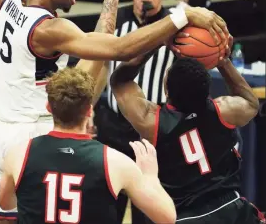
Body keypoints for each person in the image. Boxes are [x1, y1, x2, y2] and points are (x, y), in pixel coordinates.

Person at [0, 0, 227, 222]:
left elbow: (100, 49)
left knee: (4, 216)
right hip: (37, 135)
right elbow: (119, 48)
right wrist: (183, 16)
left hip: (1, 130)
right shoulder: (49, 29)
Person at [110, 35, 265, 223]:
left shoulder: (152, 122)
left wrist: (156, 41)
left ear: (166, 90)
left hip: (185, 217)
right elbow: (251, 102)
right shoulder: (223, 111)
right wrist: (223, 62)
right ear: (207, 89)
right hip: (232, 210)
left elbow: (120, 81)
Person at [0, 67, 177, 224]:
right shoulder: (115, 162)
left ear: (49, 107)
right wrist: (151, 177)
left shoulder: (18, 154)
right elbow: (167, 217)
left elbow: (6, 204)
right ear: (89, 110)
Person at [93, 0, 172, 223]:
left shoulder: (176, 26)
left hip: (154, 131)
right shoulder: (114, 20)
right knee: (107, 207)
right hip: (112, 128)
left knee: (148, 210)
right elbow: (95, 61)